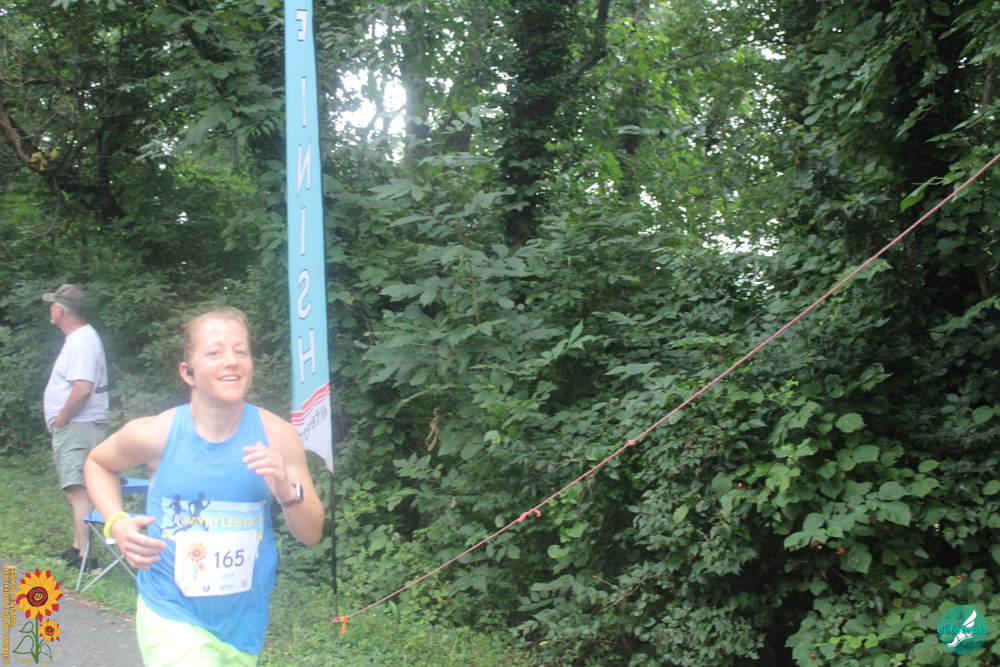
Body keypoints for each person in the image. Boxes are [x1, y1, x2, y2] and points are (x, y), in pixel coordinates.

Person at [84, 306, 323, 666]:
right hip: (170, 612)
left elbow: (312, 534)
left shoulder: (278, 436)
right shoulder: (156, 433)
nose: (232, 361)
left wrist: (287, 492)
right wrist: (116, 522)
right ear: (188, 372)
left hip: (243, 623)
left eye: (240, 351)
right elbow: (98, 464)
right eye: (214, 352)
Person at [42, 283, 109, 569]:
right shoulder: (79, 338)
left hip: (77, 424)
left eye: (52, 305)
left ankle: (87, 558)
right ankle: (77, 547)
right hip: (78, 424)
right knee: (76, 490)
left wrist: (60, 419)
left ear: (59, 310)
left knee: (77, 490)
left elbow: (82, 388)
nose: (49, 309)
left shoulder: (81, 340)